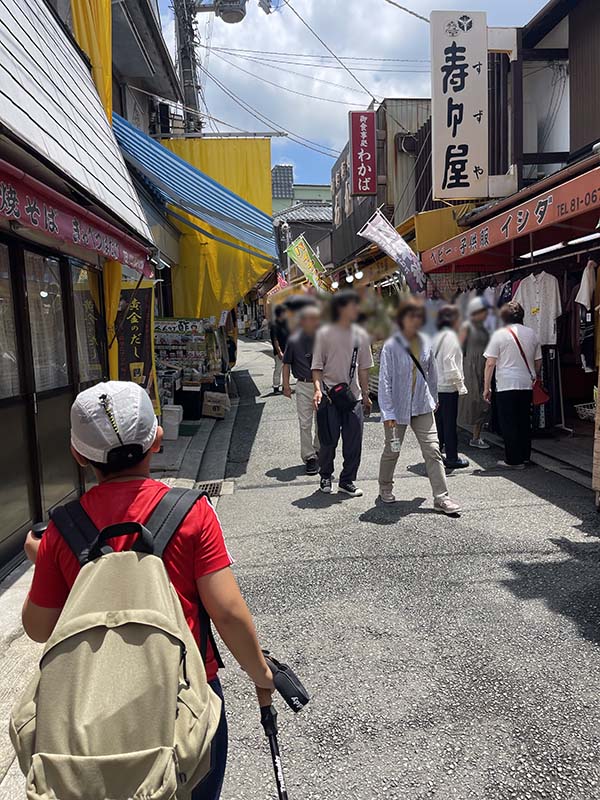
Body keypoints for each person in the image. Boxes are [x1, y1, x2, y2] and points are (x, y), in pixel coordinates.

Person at [21, 381, 274, 800]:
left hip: (90, 707)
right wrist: (260, 673)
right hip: (184, 699)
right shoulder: (192, 512)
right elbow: (227, 613)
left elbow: (38, 626)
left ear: (79, 456)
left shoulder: (62, 530)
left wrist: (43, 561)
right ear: (157, 439)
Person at [378, 298, 461, 515]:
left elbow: (432, 374)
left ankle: (441, 497)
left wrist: (433, 398)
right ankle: (385, 487)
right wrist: (387, 411)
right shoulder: (391, 346)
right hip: (397, 408)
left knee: (433, 450)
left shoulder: (426, 342)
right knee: (392, 451)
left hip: (422, 404)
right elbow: (385, 380)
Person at [312, 290, 373, 497]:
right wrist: (318, 390)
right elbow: (317, 367)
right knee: (328, 440)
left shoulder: (361, 335)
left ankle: (347, 480)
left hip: (352, 397)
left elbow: (364, 368)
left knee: (353, 442)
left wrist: (365, 395)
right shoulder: (324, 333)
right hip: (329, 396)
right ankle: (325, 476)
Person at [483, 301, 542, 469]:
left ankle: (513, 460)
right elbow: (538, 361)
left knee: (508, 422)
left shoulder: (499, 334)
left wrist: (486, 387)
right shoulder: (532, 334)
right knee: (524, 421)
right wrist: (533, 374)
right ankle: (524, 456)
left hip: (506, 383)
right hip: (526, 384)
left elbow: (490, 363)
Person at [282, 304, 321, 475]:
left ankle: (319, 450)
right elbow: (286, 364)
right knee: (305, 423)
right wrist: (286, 385)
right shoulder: (294, 340)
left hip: (322, 384)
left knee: (322, 421)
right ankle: (309, 457)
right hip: (303, 384)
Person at [432, 305, 469, 470]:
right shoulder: (451, 337)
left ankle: (436, 455)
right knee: (449, 424)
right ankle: (452, 457)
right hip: (448, 386)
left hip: (436, 386)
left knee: (439, 423)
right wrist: (459, 384)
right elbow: (449, 362)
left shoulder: (436, 336)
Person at [458, 297, 491, 449]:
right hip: (470, 366)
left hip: (480, 366)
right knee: (471, 400)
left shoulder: (484, 328)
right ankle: (471, 436)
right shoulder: (467, 326)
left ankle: (476, 436)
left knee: (481, 402)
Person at [270, 305, 289, 393]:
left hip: (287, 350)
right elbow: (275, 340)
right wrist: (279, 352)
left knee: (286, 369)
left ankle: (285, 386)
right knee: (278, 369)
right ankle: (276, 387)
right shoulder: (275, 325)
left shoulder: (285, 324)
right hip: (280, 352)